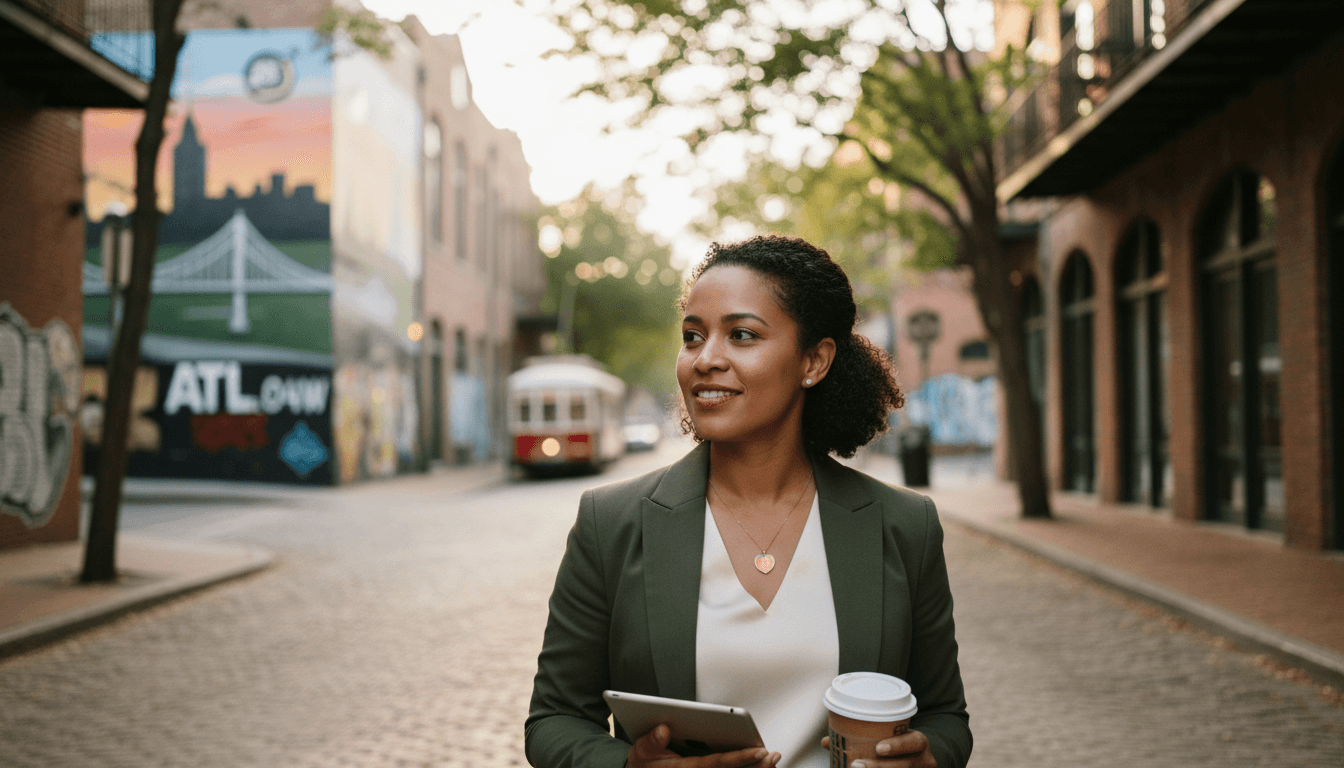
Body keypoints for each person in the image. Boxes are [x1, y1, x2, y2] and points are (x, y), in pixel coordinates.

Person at [526, 236, 971, 768]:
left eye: (741, 335)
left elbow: (945, 716)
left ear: (814, 360)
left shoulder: (904, 526)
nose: (706, 359)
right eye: (693, 337)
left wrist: (928, 757)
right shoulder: (610, 524)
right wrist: (627, 766)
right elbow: (554, 719)